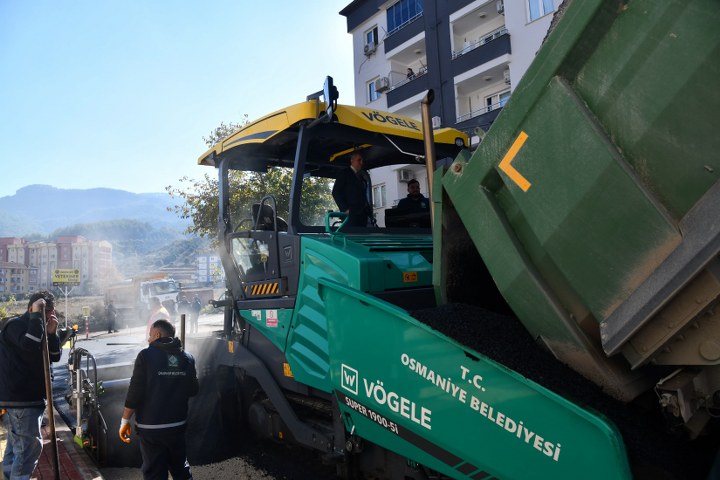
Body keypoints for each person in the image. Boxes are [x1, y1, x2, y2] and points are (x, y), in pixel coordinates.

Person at [119, 319, 199, 480]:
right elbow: (193, 390)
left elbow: (135, 393)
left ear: (157, 334)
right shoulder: (188, 358)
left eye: (150, 335)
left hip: (151, 430)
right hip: (177, 426)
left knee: (155, 473)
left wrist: (125, 421)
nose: (148, 339)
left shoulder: (145, 356)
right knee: (181, 469)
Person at [0, 290, 61, 480]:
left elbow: (54, 356)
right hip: (21, 399)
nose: (50, 315)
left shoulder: (39, 327)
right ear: (31, 308)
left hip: (30, 399)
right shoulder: (15, 325)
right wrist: (37, 316)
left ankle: (11, 476)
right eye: (46, 310)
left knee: (16, 447)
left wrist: (51, 334)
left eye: (51, 311)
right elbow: (30, 344)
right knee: (28, 451)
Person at [331, 151, 373, 227]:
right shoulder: (344, 173)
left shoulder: (361, 176)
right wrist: (345, 209)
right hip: (350, 215)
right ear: (352, 160)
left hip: (363, 215)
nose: (361, 162)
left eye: (362, 161)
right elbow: (336, 192)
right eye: (359, 160)